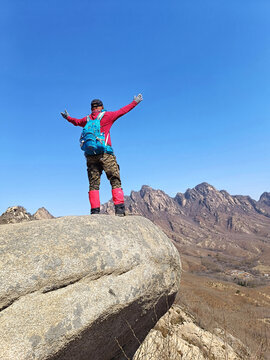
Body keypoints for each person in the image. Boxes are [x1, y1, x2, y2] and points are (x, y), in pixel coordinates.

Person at [61, 94, 143, 216]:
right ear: (102, 107)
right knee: (114, 179)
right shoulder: (107, 116)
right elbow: (122, 111)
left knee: (93, 183)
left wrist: (68, 117)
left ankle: (94, 211)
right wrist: (135, 102)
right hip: (105, 153)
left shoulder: (87, 119)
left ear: (91, 108)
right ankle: (119, 210)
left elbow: (77, 122)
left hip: (90, 155)